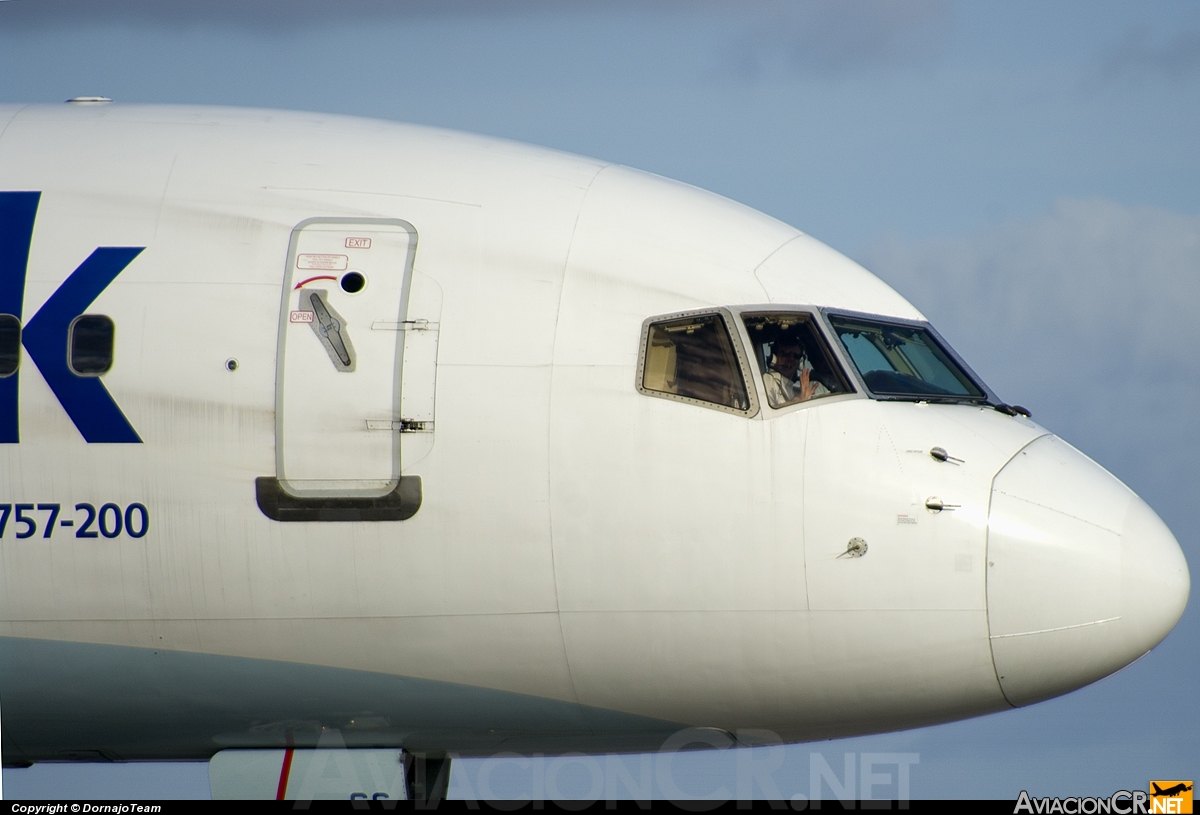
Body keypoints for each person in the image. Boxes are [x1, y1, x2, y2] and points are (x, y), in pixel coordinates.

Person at [762, 338, 828, 408]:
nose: (791, 359)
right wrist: (802, 401)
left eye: (796, 356)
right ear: (774, 358)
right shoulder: (768, 379)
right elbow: (768, 410)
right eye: (785, 354)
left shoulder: (792, 388)